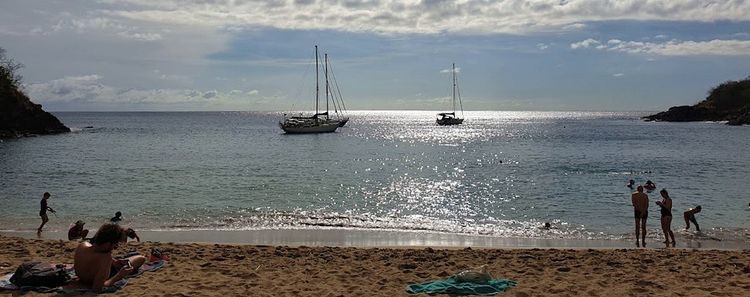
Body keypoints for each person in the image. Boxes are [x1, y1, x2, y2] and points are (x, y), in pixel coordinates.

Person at [73, 223, 146, 292]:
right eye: (115, 245)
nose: (113, 248)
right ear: (108, 244)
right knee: (141, 258)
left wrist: (114, 262)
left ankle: (119, 262)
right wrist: (120, 275)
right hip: (94, 279)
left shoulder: (82, 246)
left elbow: (93, 259)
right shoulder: (105, 258)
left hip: (82, 277)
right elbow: (97, 288)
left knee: (125, 259)